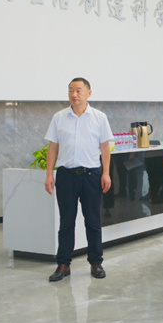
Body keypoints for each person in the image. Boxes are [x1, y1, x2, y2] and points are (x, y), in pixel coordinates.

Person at [44, 78, 113, 282]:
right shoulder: (59, 117)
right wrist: (49, 174)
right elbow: (53, 147)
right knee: (66, 222)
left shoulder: (99, 117)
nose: (74, 94)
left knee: (93, 221)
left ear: (89, 93)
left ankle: (96, 262)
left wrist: (106, 173)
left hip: (91, 176)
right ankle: (63, 264)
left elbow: (105, 147)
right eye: (71, 90)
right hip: (66, 176)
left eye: (79, 90)